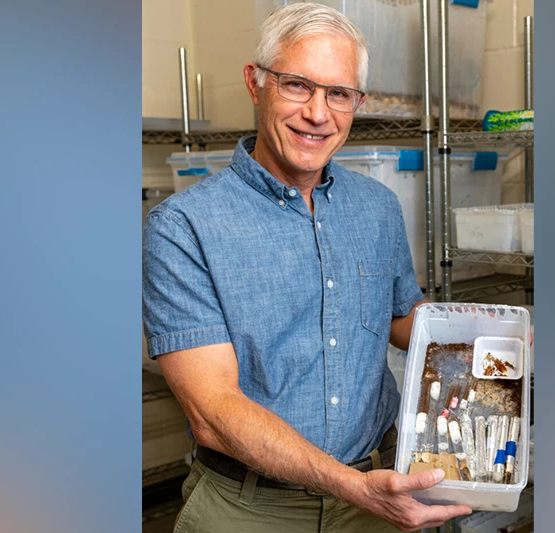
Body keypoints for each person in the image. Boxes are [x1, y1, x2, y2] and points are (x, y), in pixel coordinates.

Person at [142, 3, 472, 532]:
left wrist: (490, 338)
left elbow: (401, 314)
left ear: (357, 102)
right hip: (251, 509)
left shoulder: (378, 206)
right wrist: (351, 487)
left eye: (339, 93)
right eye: (298, 85)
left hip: (379, 486)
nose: (319, 114)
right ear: (256, 83)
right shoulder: (183, 227)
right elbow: (213, 414)